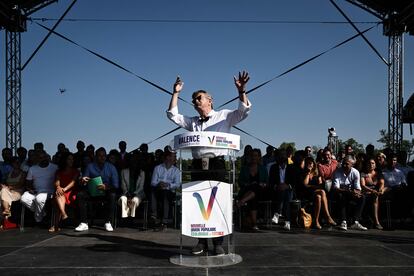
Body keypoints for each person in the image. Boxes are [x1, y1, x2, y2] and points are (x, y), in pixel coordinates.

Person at [167, 71, 251, 256]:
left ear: (210, 100)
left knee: (218, 202)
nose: (195, 101)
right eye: (193, 99)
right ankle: (201, 242)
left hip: (218, 165)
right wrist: (176, 93)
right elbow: (173, 115)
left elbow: (243, 111)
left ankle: (218, 242)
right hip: (197, 165)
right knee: (199, 203)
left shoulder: (224, 116)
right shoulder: (193, 122)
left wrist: (242, 90)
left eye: (199, 98)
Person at [75, 147, 119, 232]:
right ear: (95, 157)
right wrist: (83, 180)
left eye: (104, 156)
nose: (102, 157)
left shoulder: (111, 167)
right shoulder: (90, 166)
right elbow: (83, 182)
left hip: (106, 192)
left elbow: (116, 185)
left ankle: (108, 222)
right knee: (80, 195)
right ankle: (84, 223)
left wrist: (106, 187)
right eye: (99, 155)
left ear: (106, 157)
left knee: (113, 195)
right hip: (92, 192)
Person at [299, 157, 336, 229]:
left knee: (319, 197)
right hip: (307, 193)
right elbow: (305, 185)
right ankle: (328, 216)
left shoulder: (317, 174)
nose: (310, 165)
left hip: (316, 192)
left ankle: (316, 221)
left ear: (313, 164)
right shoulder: (303, 172)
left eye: (311, 163)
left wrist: (314, 186)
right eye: (308, 163)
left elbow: (320, 184)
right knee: (322, 192)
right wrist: (308, 173)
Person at [21, 150, 58, 223]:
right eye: (40, 158)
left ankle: (38, 219)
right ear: (37, 159)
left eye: (44, 157)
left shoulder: (54, 167)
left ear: (47, 157)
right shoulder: (32, 168)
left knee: (39, 199)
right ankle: (43, 212)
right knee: (23, 198)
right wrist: (30, 189)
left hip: (49, 192)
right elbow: (28, 183)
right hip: (35, 191)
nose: (43, 159)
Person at [332, 156, 367, 231]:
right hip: (340, 193)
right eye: (343, 163)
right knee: (341, 196)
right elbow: (336, 188)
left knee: (362, 197)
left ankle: (355, 221)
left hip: (350, 193)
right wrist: (349, 191)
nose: (344, 165)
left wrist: (357, 193)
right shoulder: (337, 172)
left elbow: (358, 188)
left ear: (352, 165)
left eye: (347, 164)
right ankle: (343, 221)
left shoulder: (355, 172)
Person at [236, 148, 268, 231]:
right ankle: (254, 224)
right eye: (252, 156)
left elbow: (267, 182)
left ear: (259, 157)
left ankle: (241, 202)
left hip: (261, 192)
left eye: (256, 156)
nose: (254, 157)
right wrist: (247, 184)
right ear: (250, 157)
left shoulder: (263, 169)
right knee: (253, 197)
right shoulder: (244, 168)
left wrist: (263, 184)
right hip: (247, 190)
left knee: (256, 187)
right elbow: (240, 182)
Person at [49, 152, 79, 232]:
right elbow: (57, 181)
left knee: (58, 196)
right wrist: (58, 187)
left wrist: (63, 189)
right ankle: (64, 214)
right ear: (65, 160)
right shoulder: (59, 171)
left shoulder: (75, 171)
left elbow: (73, 182)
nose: (71, 161)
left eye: (72, 159)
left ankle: (56, 225)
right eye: (69, 159)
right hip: (61, 191)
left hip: (71, 191)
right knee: (57, 195)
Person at [150, 147, 180, 226]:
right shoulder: (158, 168)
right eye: (174, 156)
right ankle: (154, 215)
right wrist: (159, 183)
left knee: (166, 193)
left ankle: (165, 219)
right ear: (168, 157)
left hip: (169, 192)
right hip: (158, 190)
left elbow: (177, 184)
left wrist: (168, 185)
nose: (175, 158)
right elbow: (153, 182)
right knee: (153, 190)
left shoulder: (176, 170)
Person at [268, 155, 294, 230]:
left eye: (284, 162)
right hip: (277, 191)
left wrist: (287, 186)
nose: (282, 165)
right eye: (280, 162)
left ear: (286, 162)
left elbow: (294, 182)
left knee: (286, 195)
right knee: (285, 196)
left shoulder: (291, 168)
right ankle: (287, 222)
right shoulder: (274, 168)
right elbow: (271, 182)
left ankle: (277, 213)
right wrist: (277, 186)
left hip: (289, 190)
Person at [118, 153, 145, 219]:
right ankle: (125, 217)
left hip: (138, 194)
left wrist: (132, 195)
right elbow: (123, 186)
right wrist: (127, 194)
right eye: (132, 160)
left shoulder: (142, 173)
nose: (133, 162)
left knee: (135, 200)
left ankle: (131, 217)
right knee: (123, 199)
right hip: (126, 193)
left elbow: (141, 187)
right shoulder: (124, 171)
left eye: (135, 161)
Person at [360, 158, 384, 230]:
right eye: (369, 163)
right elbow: (363, 185)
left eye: (373, 163)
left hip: (376, 192)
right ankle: (377, 222)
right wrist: (372, 191)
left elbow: (382, 183)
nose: (371, 165)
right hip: (366, 192)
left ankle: (375, 221)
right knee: (375, 197)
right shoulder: (363, 173)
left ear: (375, 165)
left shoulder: (378, 173)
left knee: (376, 195)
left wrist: (380, 189)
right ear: (366, 165)